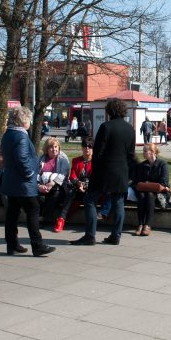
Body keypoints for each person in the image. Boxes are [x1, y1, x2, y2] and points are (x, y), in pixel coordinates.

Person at [74, 98, 137, 246]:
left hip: (103, 172)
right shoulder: (130, 129)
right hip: (121, 172)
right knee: (119, 203)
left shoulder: (105, 127)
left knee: (89, 200)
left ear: (109, 111)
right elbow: (130, 154)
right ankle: (116, 236)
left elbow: (98, 153)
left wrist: (94, 172)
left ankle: (90, 235)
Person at [0, 106, 55, 257]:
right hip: (23, 182)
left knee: (13, 212)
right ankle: (37, 245)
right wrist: (30, 172)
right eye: (29, 119)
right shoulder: (21, 136)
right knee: (33, 210)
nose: (30, 122)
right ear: (23, 120)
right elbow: (22, 158)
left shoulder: (8, 134)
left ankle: (12, 245)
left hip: (11, 180)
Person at [54, 137, 93, 232]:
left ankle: (90, 225)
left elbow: (96, 178)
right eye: (84, 146)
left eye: (89, 146)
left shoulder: (96, 162)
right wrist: (79, 183)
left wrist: (85, 186)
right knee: (70, 192)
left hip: (91, 188)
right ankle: (61, 220)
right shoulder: (76, 160)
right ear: (82, 148)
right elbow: (72, 176)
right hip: (77, 188)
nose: (87, 148)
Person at [133, 142, 171, 236]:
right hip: (143, 191)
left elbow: (164, 182)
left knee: (149, 195)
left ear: (153, 152)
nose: (143, 153)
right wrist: (149, 185)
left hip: (159, 193)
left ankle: (147, 225)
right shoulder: (142, 165)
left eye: (145, 151)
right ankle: (140, 224)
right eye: (143, 151)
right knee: (142, 195)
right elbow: (137, 181)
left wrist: (147, 184)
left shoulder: (162, 164)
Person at [36, 136, 69, 226]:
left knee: (55, 195)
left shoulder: (63, 158)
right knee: (39, 196)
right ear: (46, 149)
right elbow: (36, 173)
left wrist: (52, 183)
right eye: (51, 147)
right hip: (43, 184)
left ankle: (44, 218)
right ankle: (37, 217)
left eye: (55, 147)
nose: (54, 149)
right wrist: (39, 185)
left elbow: (63, 174)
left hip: (59, 186)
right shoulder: (41, 158)